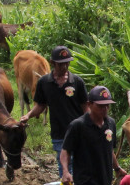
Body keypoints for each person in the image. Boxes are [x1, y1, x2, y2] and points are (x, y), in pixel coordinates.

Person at [60, 85, 127, 185]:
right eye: (100, 106)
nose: (104, 110)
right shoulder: (78, 125)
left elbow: (109, 150)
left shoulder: (110, 124)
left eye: (107, 106)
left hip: (104, 182)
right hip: (85, 184)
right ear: (90, 105)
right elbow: (65, 151)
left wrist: (117, 168)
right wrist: (65, 171)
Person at [19, 46, 87, 177]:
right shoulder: (44, 83)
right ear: (53, 63)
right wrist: (28, 115)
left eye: (67, 63)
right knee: (65, 164)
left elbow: (85, 107)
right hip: (59, 133)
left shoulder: (77, 82)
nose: (65, 66)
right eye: (61, 64)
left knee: (79, 163)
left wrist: (90, 125)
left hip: (78, 132)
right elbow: (41, 105)